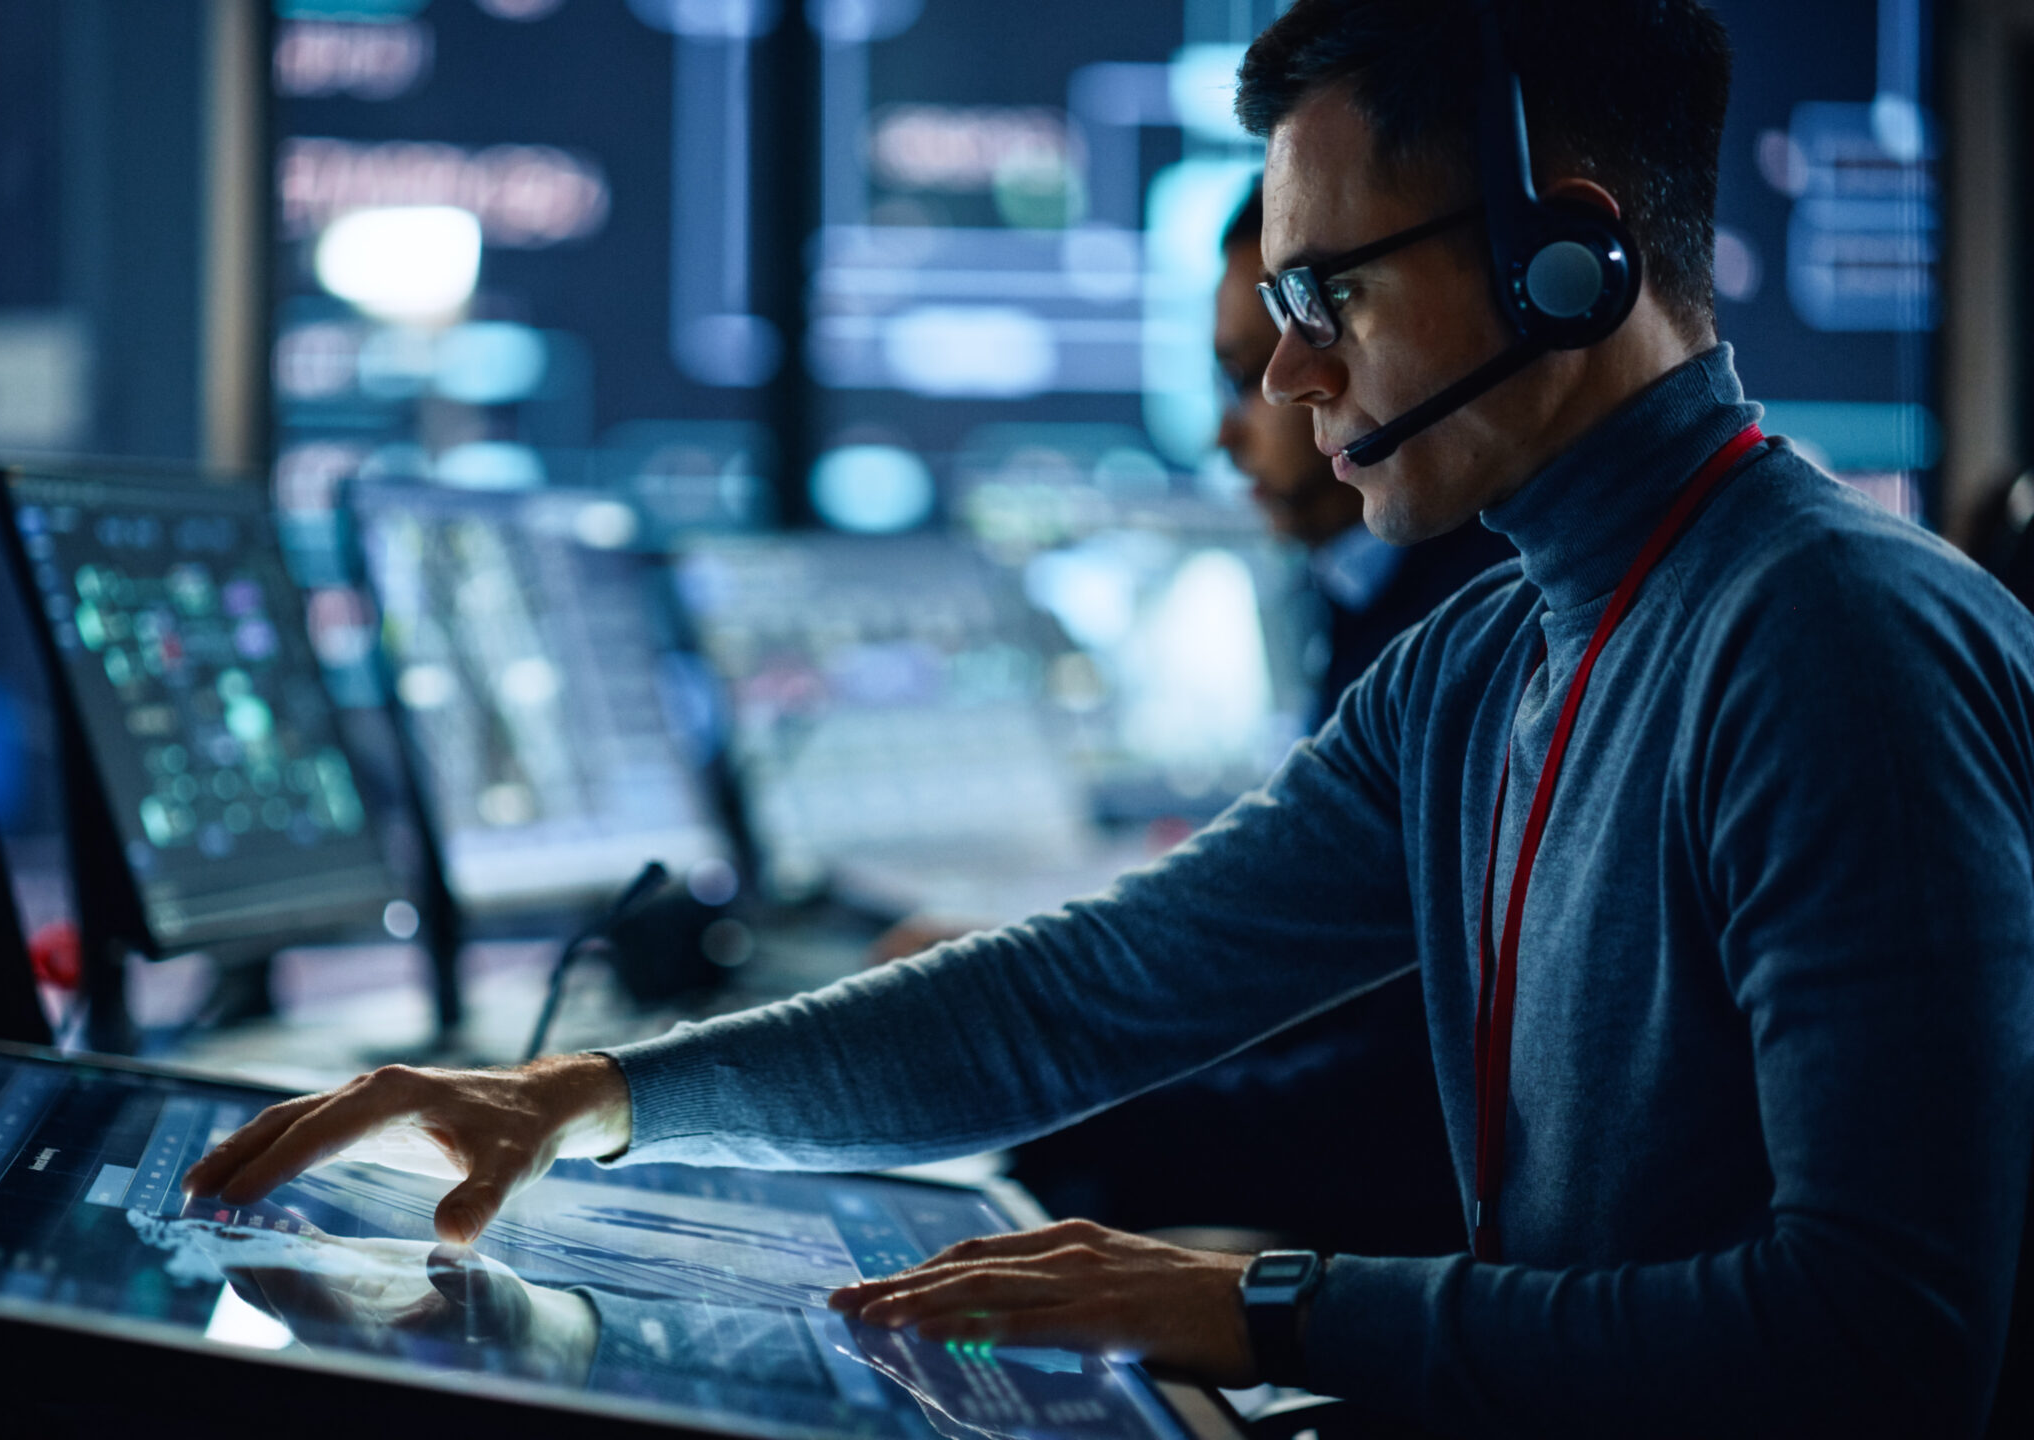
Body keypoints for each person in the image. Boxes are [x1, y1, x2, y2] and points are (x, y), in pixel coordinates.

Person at [188, 1, 2034, 1433]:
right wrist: (589, 1100)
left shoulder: (1826, 651)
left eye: (1330, 291)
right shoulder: (1489, 664)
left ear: (1572, 259)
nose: (1290, 369)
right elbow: (1094, 991)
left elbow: (1881, 1348)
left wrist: (1249, 1307)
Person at [1009, 183, 1514, 1258]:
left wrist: (1066, 1107)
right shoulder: (1377, 600)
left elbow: (1405, 1108)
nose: (1252, 414)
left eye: (1257, 369)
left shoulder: (1484, 627)